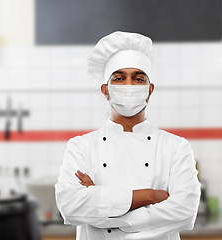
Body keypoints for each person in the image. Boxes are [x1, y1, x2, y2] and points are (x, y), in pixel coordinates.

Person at [55, 31, 201, 240]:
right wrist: (149, 196)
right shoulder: (81, 146)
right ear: (106, 90)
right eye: (119, 78)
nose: (129, 86)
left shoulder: (176, 147)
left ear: (149, 90)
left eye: (138, 78)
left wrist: (103, 208)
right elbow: (70, 206)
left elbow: (185, 212)